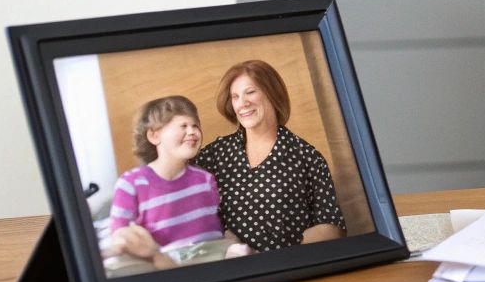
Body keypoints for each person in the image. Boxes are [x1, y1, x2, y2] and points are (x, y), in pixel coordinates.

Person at [195, 60, 346, 252]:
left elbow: (333, 226)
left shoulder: (307, 156)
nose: (242, 103)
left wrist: (284, 254)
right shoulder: (215, 154)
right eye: (235, 97)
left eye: (250, 92)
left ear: (272, 94)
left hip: (289, 268)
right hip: (232, 271)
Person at [103, 95, 250, 270]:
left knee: (240, 250)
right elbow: (120, 236)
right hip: (162, 262)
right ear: (154, 135)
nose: (192, 131)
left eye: (195, 125)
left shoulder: (205, 180)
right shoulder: (130, 183)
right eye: (183, 126)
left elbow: (218, 230)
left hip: (209, 255)